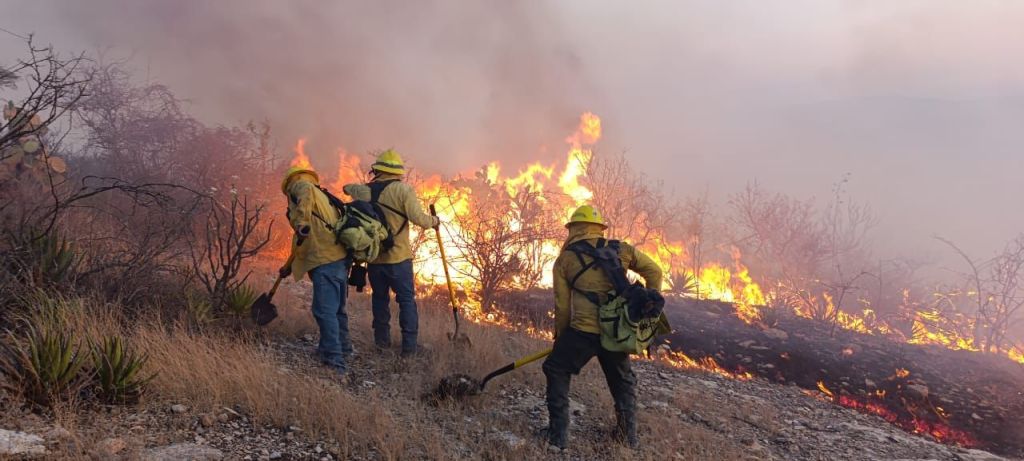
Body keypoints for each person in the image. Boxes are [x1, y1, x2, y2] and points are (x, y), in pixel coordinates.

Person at [542, 205, 664, 450]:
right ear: (599, 228)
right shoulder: (622, 250)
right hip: (616, 331)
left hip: (582, 332)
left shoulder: (565, 260)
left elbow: (562, 305)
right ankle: (627, 437)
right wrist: (648, 305)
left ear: (573, 229)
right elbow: (655, 270)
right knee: (622, 381)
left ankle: (558, 436)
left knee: (555, 367)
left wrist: (561, 338)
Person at [280, 165, 353, 376]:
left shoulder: (301, 186)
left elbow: (303, 226)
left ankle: (334, 361)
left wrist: (301, 223)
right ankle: (342, 349)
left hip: (324, 259)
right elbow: (301, 241)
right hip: (339, 256)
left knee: (324, 310)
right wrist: (287, 268)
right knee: (337, 309)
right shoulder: (321, 194)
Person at [366, 149, 439, 357]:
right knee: (406, 301)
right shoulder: (403, 190)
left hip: (374, 259)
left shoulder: (366, 191)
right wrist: (436, 221)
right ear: (398, 171)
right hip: (399, 259)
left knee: (379, 299)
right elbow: (421, 220)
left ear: (377, 170)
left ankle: (381, 344)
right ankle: (409, 349)